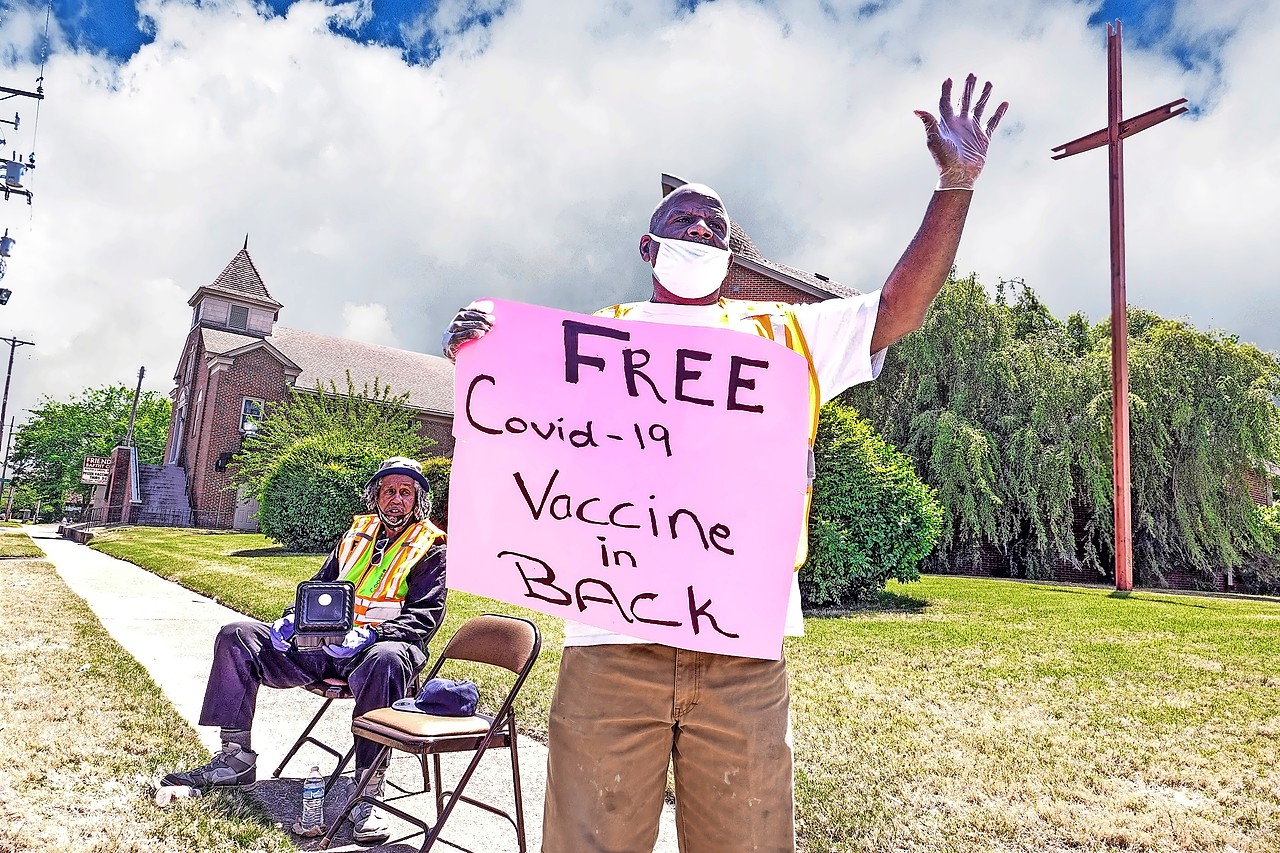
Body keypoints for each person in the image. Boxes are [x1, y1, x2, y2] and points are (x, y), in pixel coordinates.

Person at [442, 74, 1007, 853]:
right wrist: (480, 350)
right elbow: (511, 429)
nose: (702, 226)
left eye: (716, 221)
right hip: (609, 642)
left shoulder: (785, 336)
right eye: (684, 216)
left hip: (744, 647)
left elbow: (896, 310)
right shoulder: (591, 341)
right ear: (649, 245)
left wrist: (954, 185)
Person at [161, 456, 447, 844]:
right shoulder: (355, 534)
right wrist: (295, 617)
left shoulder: (431, 546)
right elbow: (320, 587)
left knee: (388, 658)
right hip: (323, 647)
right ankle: (235, 758)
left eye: (406, 492)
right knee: (238, 635)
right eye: (388, 490)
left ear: (418, 501)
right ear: (375, 495)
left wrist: (372, 635)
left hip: (376, 653)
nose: (396, 499)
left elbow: (425, 617)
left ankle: (368, 792)